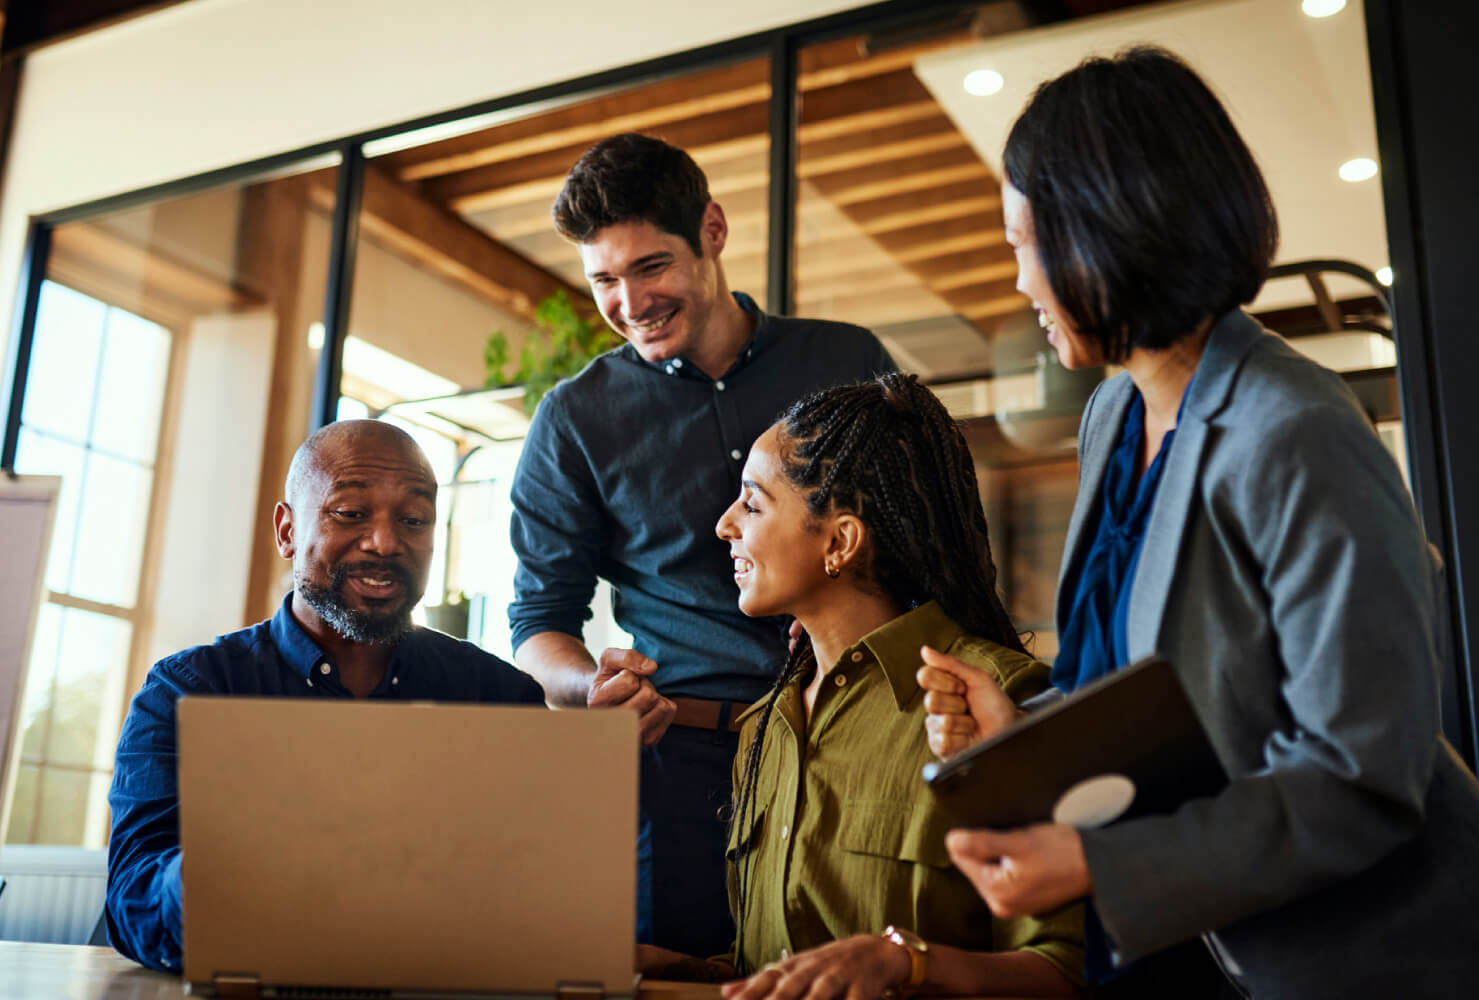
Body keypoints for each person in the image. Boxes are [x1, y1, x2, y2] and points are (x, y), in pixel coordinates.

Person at [918, 47, 1479, 997]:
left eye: (1023, 241)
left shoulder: (1299, 429)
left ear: (1108, 229)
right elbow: (1168, 689)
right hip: (1185, 948)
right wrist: (1016, 728)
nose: (1018, 279)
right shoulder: (1112, 413)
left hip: (1362, 960)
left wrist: (1104, 865)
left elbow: (1361, 773)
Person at [508, 132, 895, 956]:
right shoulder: (573, 421)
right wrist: (589, 687)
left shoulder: (848, 361)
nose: (630, 302)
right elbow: (537, 625)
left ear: (712, 232)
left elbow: (922, 539)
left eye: (651, 267)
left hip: (858, 743)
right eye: (604, 280)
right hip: (682, 767)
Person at [636, 374, 1084, 998]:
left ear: (840, 541)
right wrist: (697, 973)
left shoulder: (993, 699)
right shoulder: (766, 726)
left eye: (754, 503)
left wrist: (907, 962)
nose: (724, 525)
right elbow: (795, 956)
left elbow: (1062, 971)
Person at [105, 420, 545, 972]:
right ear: (288, 530)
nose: (386, 543)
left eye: (414, 520)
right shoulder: (187, 692)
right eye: (350, 513)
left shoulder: (500, 698)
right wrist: (203, 878)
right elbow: (130, 904)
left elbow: (544, 892)